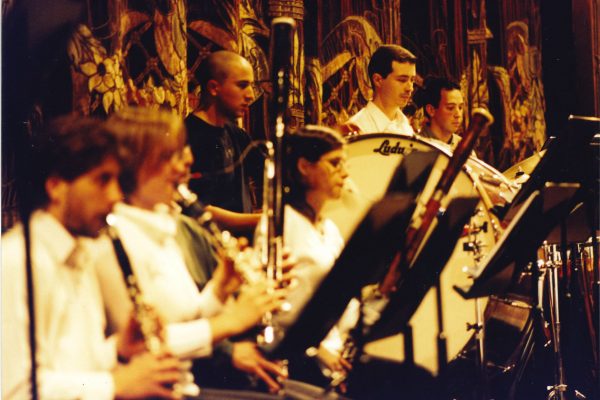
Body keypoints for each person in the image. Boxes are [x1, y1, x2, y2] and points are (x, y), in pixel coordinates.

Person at [95, 107, 288, 393]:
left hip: (186, 387)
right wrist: (230, 322)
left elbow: (187, 318)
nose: (186, 162)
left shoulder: (162, 227)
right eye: (169, 156)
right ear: (131, 165)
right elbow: (143, 342)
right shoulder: (115, 239)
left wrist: (220, 289)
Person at [1, 115, 183, 400]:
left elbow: (70, 364)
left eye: (117, 181)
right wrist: (117, 385)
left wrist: (119, 349)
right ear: (56, 186)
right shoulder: (18, 261)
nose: (115, 195)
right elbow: (14, 390)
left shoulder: (81, 250)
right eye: (102, 180)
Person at [267, 125, 357, 386]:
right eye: (335, 163)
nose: (345, 172)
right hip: (305, 359)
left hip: (339, 348)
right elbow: (278, 314)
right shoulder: (282, 227)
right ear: (305, 166)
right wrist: (319, 350)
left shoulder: (327, 228)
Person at [185, 50, 264, 234]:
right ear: (214, 88)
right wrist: (260, 220)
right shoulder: (187, 136)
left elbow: (270, 171)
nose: (251, 95)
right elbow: (195, 208)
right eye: (242, 85)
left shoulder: (238, 135)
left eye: (251, 86)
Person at [344, 44, 418, 136]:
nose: (410, 88)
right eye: (402, 80)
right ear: (378, 80)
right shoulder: (357, 129)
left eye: (412, 80)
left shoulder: (406, 127)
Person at [415, 76, 465, 151]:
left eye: (460, 107)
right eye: (450, 108)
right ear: (431, 110)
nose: (458, 115)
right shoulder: (416, 147)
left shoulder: (463, 147)